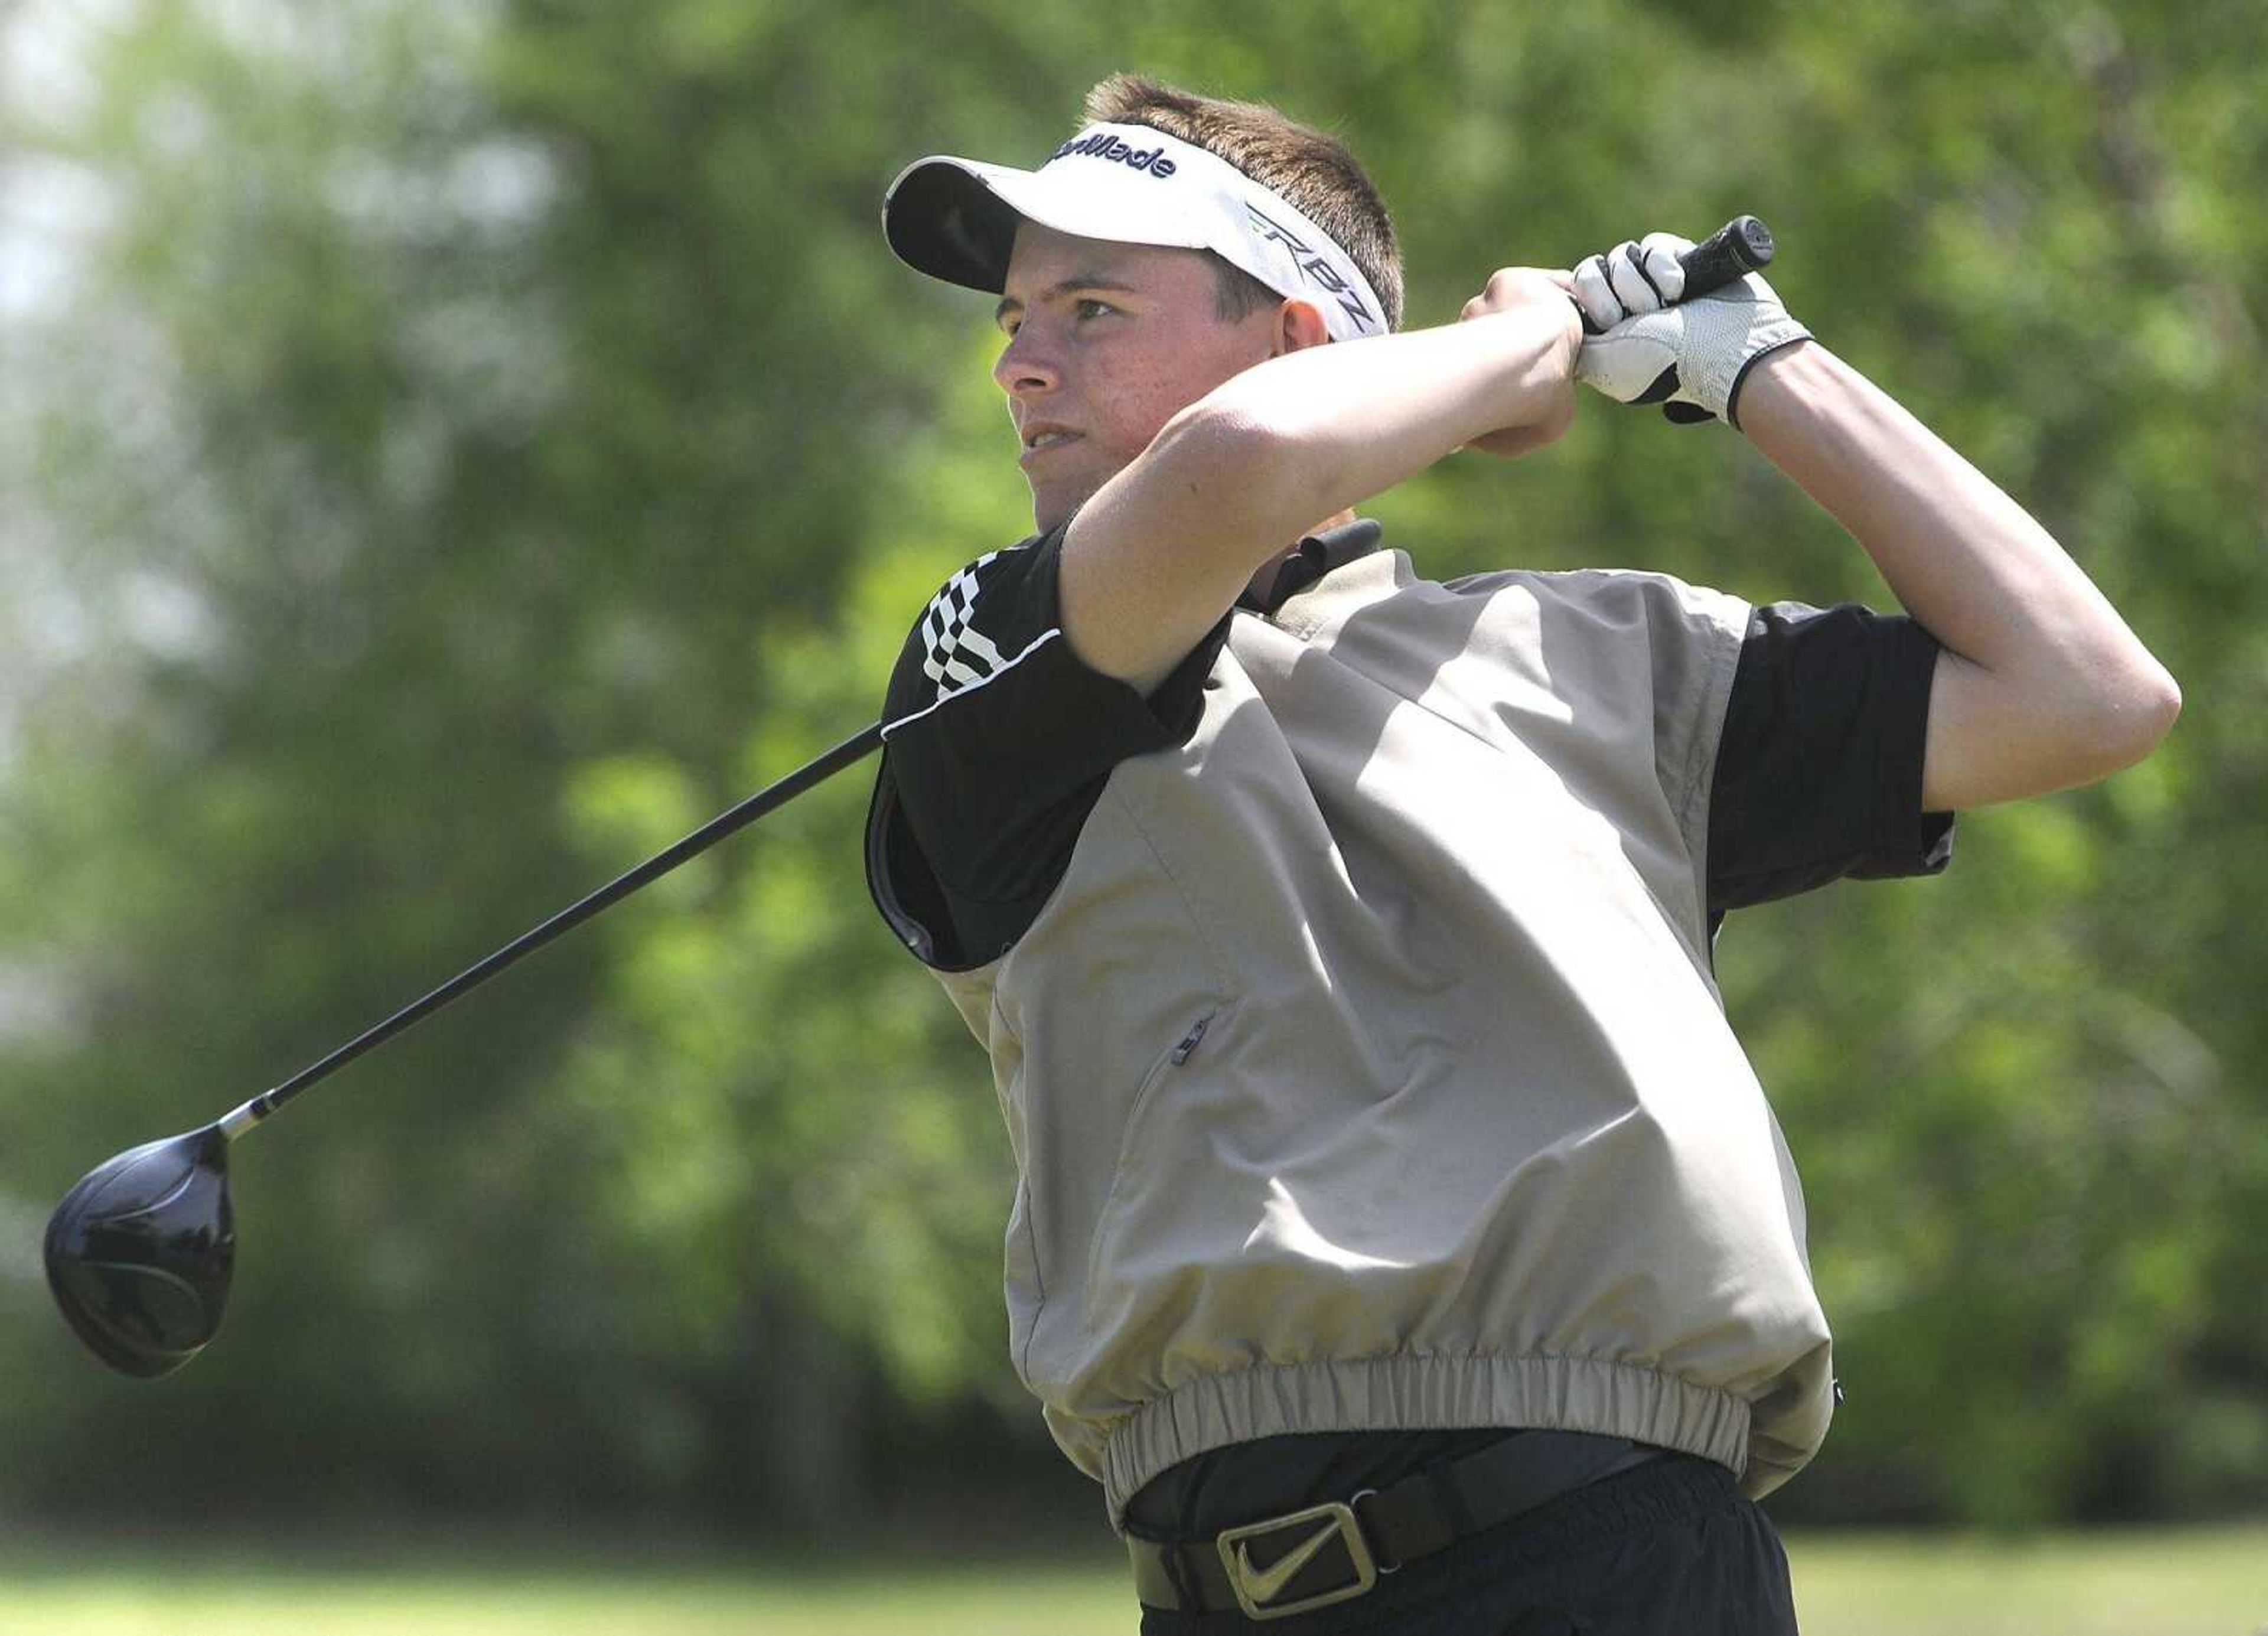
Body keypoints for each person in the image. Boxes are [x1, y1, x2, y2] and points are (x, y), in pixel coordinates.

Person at [861, 75, 2179, 1634]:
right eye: (1014, 317)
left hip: (1614, 1553)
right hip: (1225, 1587)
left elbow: (2088, 692)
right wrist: (1525, 345)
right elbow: (1235, 470)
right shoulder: (988, 656)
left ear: (1299, 338)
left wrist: (1759, 367)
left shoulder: (1606, 658)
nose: (1021, 361)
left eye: (1088, 305)